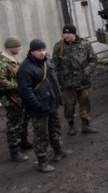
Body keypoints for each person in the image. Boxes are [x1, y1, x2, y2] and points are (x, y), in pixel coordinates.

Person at [17, 39, 72, 172]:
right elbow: (26, 92)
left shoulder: (47, 61)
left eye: (43, 49)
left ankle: (58, 151)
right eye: (39, 51)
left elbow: (54, 81)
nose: (42, 53)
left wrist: (58, 98)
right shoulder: (25, 69)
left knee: (55, 128)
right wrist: (38, 106)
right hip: (39, 109)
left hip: (51, 103)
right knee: (41, 135)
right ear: (32, 52)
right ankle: (42, 161)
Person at [52, 24, 98, 135]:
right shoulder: (59, 46)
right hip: (67, 83)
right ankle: (71, 126)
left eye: (69, 33)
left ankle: (85, 125)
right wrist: (57, 80)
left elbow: (93, 60)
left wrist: (87, 70)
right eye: (64, 33)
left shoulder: (85, 44)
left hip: (83, 81)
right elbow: (54, 64)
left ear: (74, 33)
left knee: (85, 103)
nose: (66, 36)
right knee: (69, 106)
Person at [0, 37, 33, 162]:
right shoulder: (2, 62)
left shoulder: (12, 59)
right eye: (18, 47)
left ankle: (23, 142)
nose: (20, 49)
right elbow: (1, 82)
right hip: (11, 99)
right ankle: (14, 150)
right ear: (11, 47)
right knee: (14, 124)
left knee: (24, 120)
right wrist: (19, 86)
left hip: (20, 97)